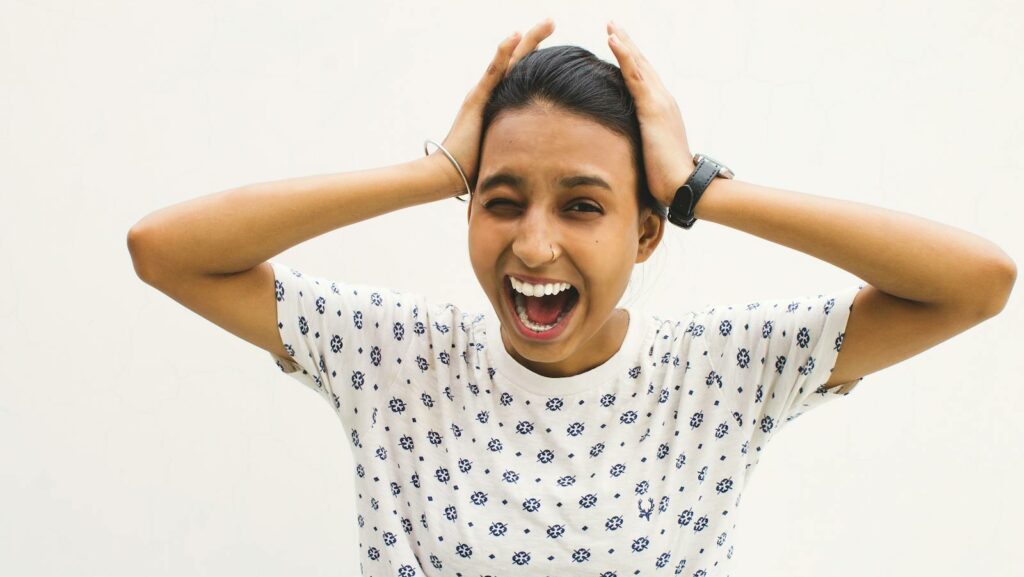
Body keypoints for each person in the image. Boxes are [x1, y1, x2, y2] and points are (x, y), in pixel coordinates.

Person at [127, 18, 1016, 577]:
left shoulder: (719, 371)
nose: (535, 244)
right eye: (501, 201)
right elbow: (164, 249)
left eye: (583, 206)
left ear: (646, 230)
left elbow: (975, 282)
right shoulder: (392, 355)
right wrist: (431, 171)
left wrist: (702, 185)